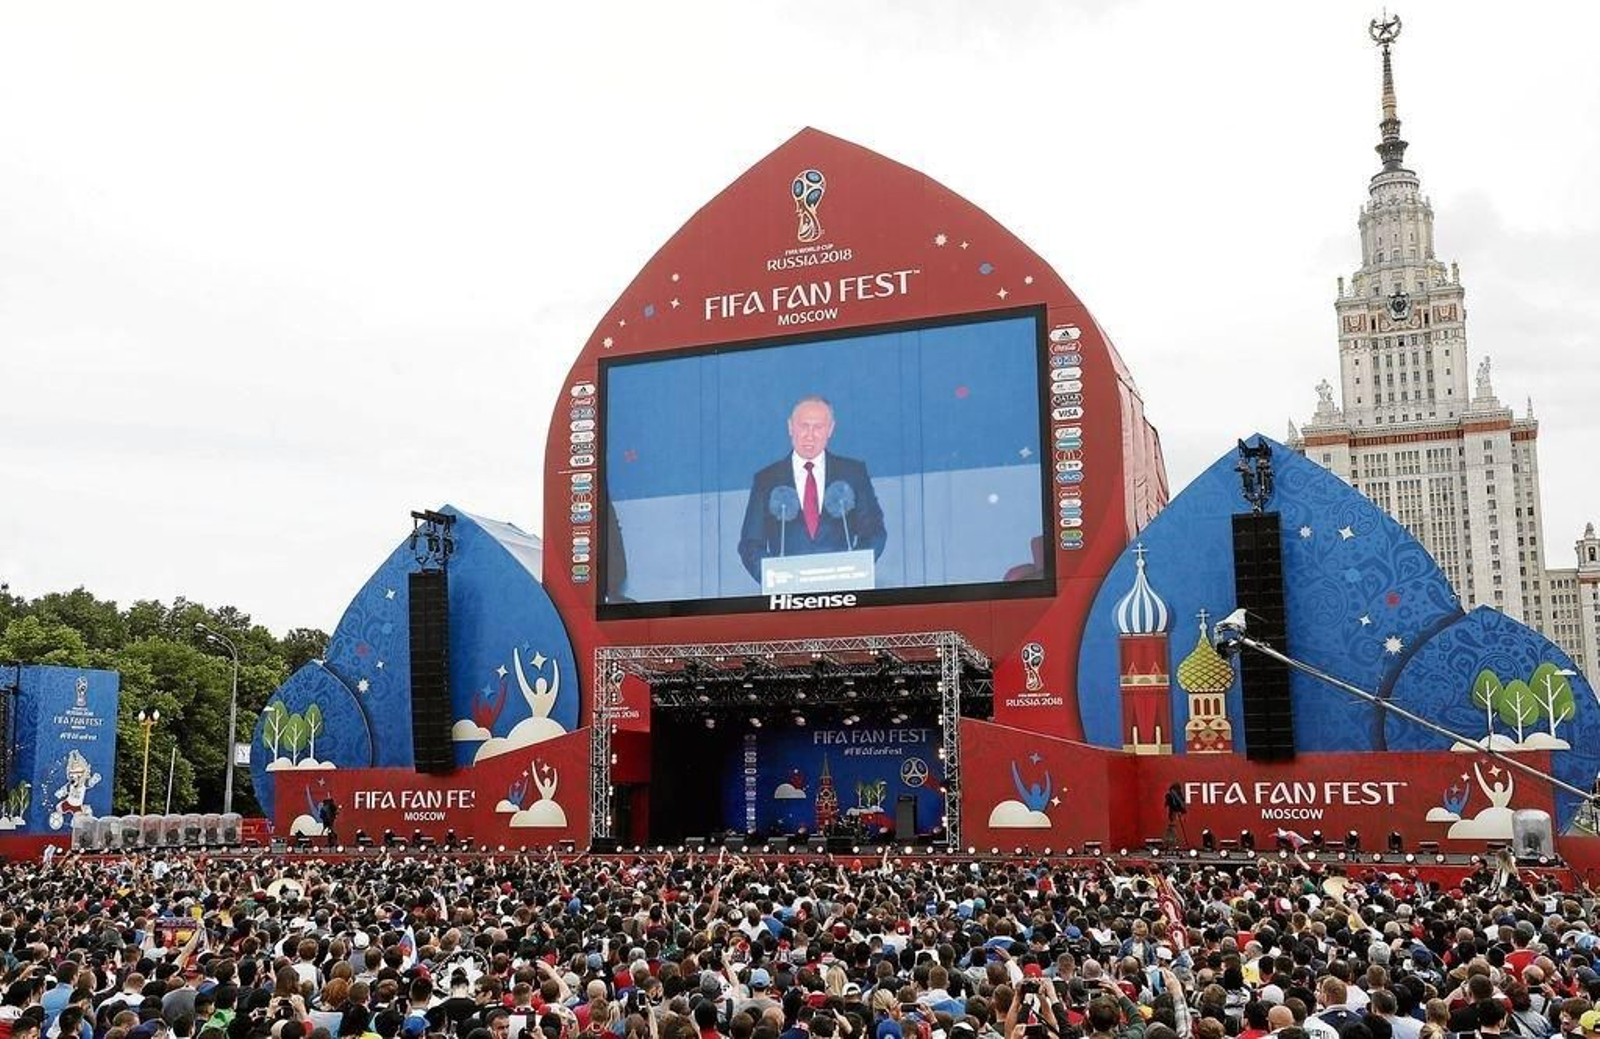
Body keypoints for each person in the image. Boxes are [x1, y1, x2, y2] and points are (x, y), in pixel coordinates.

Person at [737, 396, 886, 585]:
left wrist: (854, 570)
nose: (810, 435)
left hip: (843, 593)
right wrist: (772, 577)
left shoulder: (853, 472)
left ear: (830, 429)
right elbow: (750, 543)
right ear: (790, 427)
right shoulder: (766, 479)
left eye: (818, 427)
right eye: (803, 426)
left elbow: (874, 531)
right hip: (788, 598)